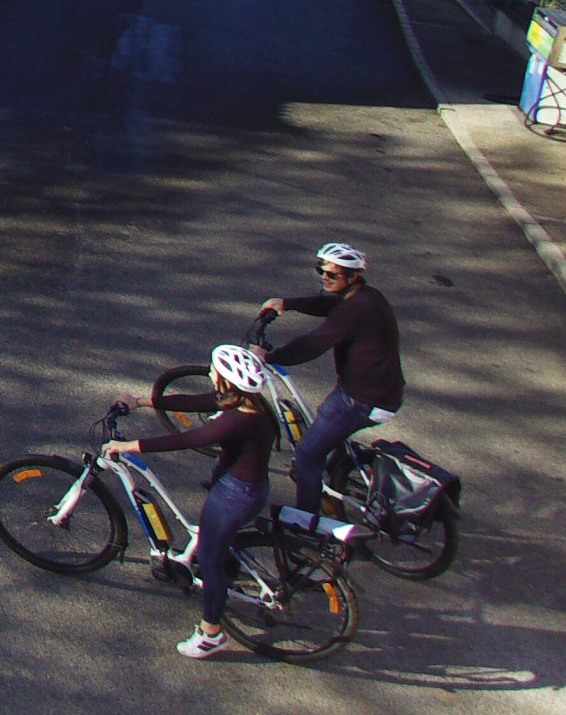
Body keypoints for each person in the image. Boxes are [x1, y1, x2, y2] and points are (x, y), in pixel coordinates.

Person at [107, 343, 276, 659]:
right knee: (213, 541)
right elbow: (198, 400)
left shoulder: (235, 419)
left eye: (215, 371)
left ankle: (211, 633)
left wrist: (130, 446)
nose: (210, 374)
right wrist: (143, 402)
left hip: (235, 495)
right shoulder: (250, 403)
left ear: (227, 381)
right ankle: (223, 558)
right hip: (243, 486)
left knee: (210, 561)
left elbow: (186, 439)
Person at [260, 242, 403, 515]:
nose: (324, 277)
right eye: (321, 271)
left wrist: (270, 356)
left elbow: (314, 343)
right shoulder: (365, 296)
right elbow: (328, 303)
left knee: (307, 454)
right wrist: (287, 305)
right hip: (367, 390)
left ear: (352, 277)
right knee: (326, 413)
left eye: (332, 275)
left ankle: (307, 523)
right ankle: (335, 471)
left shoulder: (355, 309)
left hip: (363, 399)